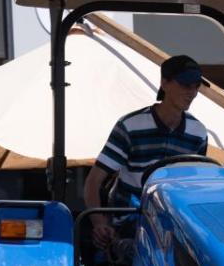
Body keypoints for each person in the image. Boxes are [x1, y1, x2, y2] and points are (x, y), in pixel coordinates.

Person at [84, 54, 209, 250]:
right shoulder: (130, 126)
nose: (192, 92)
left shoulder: (198, 132)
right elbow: (93, 182)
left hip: (174, 226)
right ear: (164, 84)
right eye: (186, 85)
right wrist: (100, 224)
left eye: (196, 86)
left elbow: (193, 189)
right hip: (129, 222)